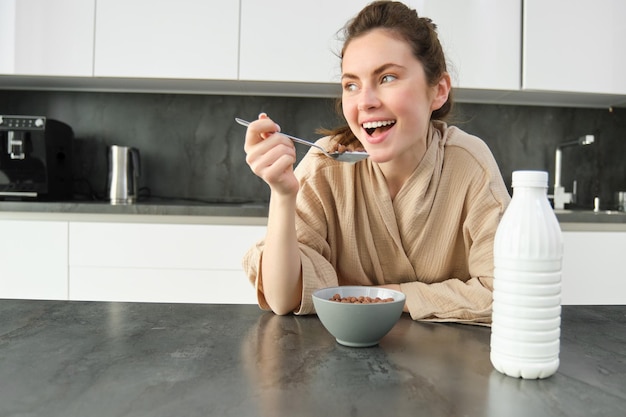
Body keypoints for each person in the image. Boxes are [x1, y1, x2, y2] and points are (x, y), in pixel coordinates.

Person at [241, 0, 511, 325]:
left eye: (387, 78)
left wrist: (389, 295)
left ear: (438, 90)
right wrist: (282, 194)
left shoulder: (470, 164)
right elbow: (282, 298)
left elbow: (507, 293)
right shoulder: (327, 165)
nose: (365, 102)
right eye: (351, 85)